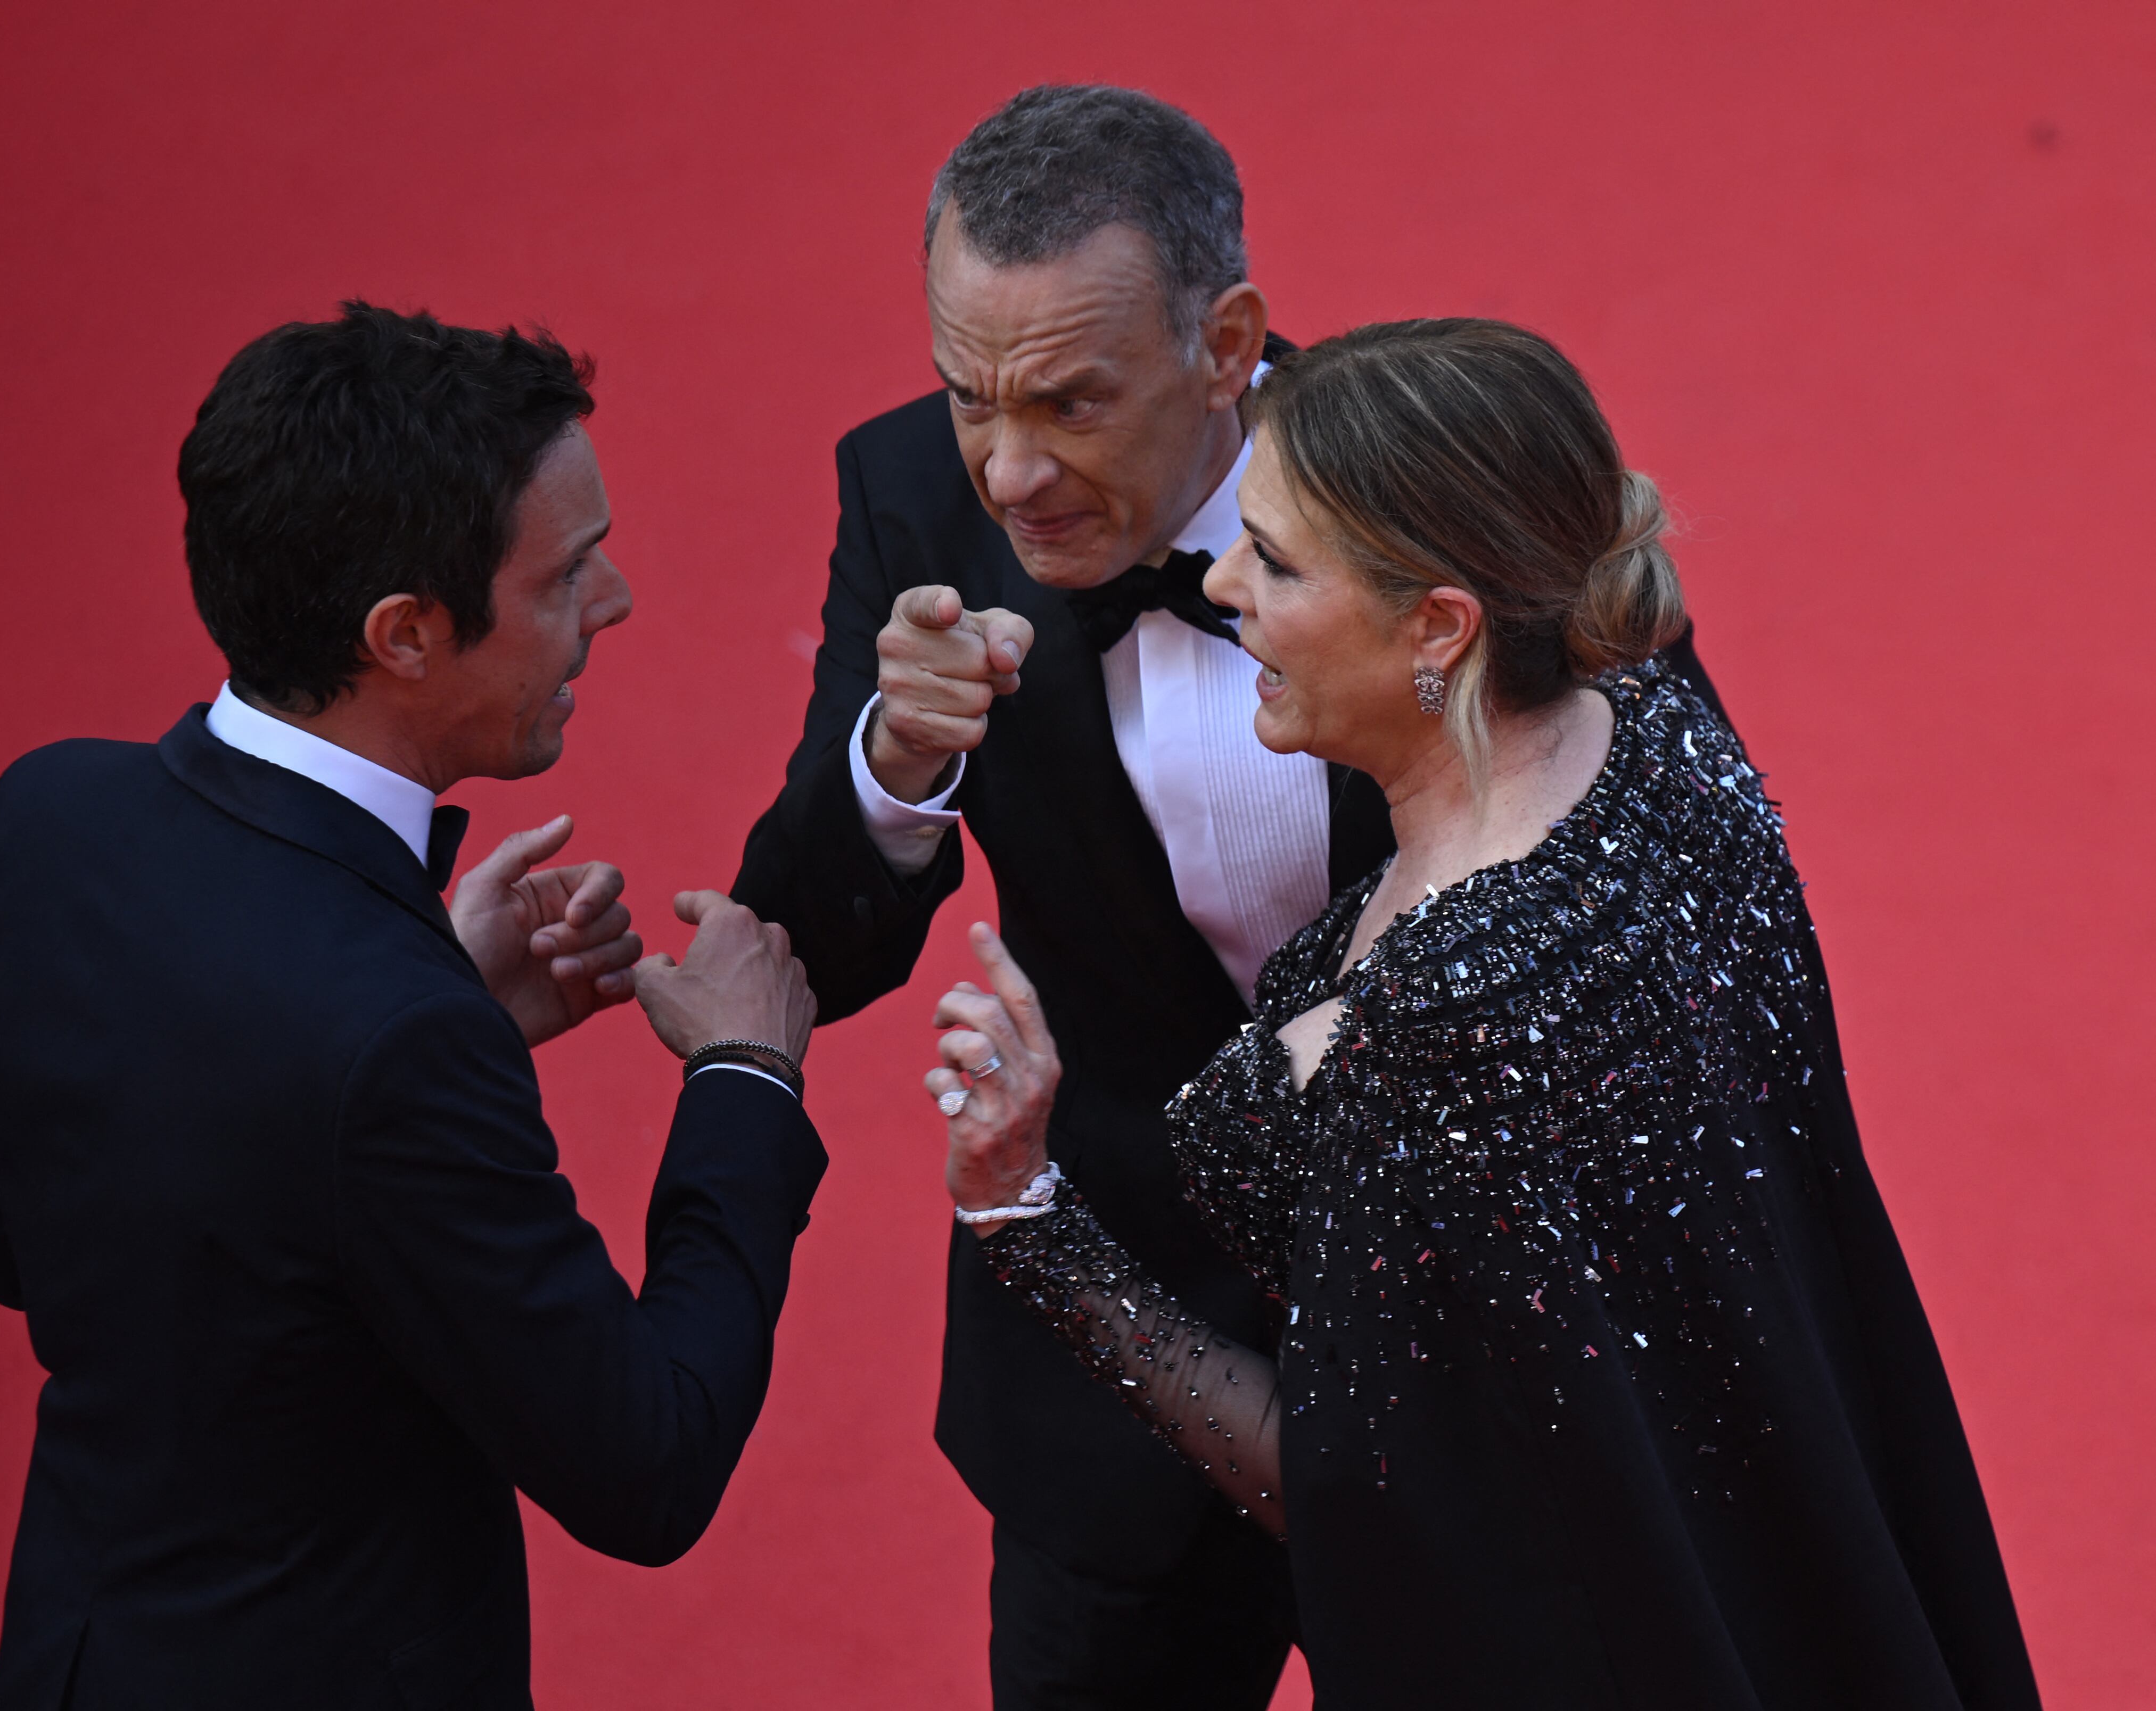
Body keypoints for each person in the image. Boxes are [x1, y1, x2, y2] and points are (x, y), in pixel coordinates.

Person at [733, 87, 1725, 1708]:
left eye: (1068, 401)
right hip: (1112, 1390)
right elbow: (813, 943)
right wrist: (894, 759)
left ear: (1226, 343)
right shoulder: (911, 492)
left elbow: (1660, 878)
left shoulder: (1440, 479)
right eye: (966, 395)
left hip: (1483, 1363)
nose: (1009, 468)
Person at [928, 319, 2040, 1708]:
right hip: (1795, 1563)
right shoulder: (1655, 722)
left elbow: (1336, 1486)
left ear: (1439, 626)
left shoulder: (1433, 1041)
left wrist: (1021, 1217)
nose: (1219, 584)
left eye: (1274, 563)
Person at [0, 302, 826, 1710]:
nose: (616, 604)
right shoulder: (389, 1042)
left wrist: (441, 990)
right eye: (567, 576)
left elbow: (25, 1248)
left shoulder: (44, 814)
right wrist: (742, 1085)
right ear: (405, 634)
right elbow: (647, 1465)